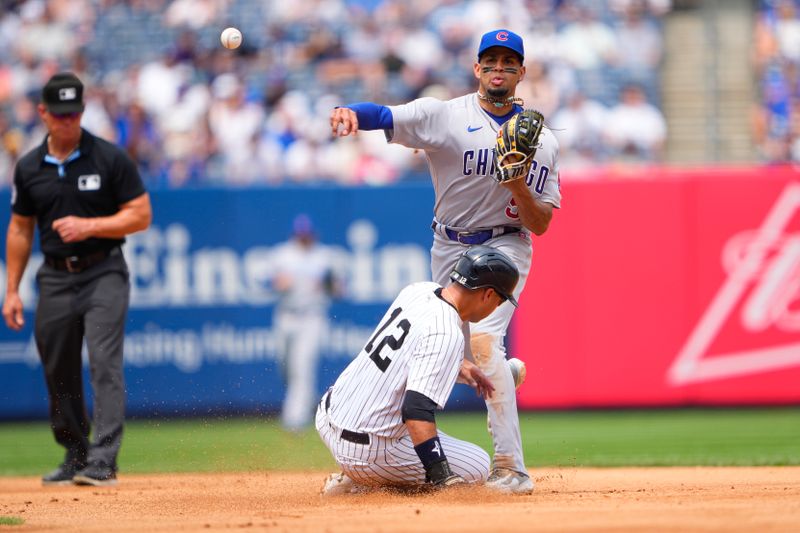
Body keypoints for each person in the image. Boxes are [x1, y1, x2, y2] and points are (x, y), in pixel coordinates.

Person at [329, 29, 562, 494]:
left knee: (480, 345)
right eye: (490, 61)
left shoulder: (545, 142)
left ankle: (511, 467)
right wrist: (350, 114)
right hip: (449, 245)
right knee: (427, 346)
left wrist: (516, 183)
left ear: (520, 71)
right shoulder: (445, 116)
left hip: (504, 246)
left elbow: (540, 224)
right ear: (477, 68)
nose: (499, 69)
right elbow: (385, 114)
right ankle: (371, 465)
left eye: (508, 62)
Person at [2, 72, 152, 486]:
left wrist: (91, 227)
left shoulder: (108, 157)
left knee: (104, 362)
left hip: (104, 269)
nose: (67, 121)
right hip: (54, 276)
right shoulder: (30, 166)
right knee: (58, 365)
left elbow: (140, 214)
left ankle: (103, 460)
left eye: (74, 114)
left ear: (82, 112)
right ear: (43, 113)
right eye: (60, 115)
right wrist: (11, 290)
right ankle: (75, 452)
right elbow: (19, 228)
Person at [317, 245, 517, 494]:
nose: (497, 308)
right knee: (477, 464)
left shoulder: (419, 290)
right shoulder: (447, 332)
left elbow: (407, 353)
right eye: (500, 300)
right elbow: (415, 411)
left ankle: (358, 476)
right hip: (366, 452)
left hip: (328, 417)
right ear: (488, 294)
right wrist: (442, 475)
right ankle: (363, 486)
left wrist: (456, 364)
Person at [271, 214, 341, 431]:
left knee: (302, 366)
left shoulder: (324, 256)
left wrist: (328, 284)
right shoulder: (283, 254)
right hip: (286, 315)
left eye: (306, 234)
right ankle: (308, 400)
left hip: (312, 317)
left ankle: (294, 420)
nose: (303, 238)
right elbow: (273, 284)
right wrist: (284, 283)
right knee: (285, 367)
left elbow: (338, 290)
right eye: (300, 235)